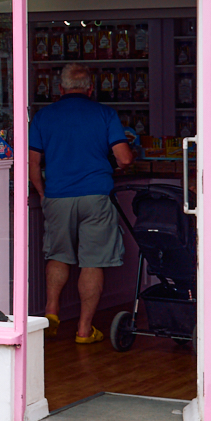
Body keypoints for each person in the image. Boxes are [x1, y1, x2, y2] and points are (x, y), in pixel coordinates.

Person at [29, 63, 135, 344]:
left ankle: (51, 311)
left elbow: (33, 164)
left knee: (58, 254)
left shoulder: (43, 117)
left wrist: (42, 193)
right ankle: (84, 330)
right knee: (93, 262)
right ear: (90, 89)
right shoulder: (104, 114)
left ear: (60, 89)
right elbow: (124, 158)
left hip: (57, 196)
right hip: (96, 196)